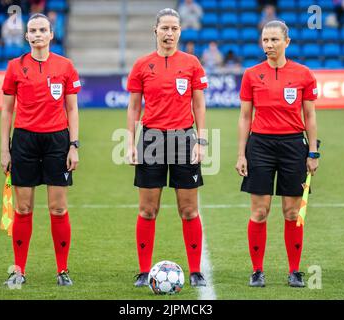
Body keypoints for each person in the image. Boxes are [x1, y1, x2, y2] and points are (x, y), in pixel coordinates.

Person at [126, 8, 209, 287]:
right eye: (165, 28)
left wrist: (202, 140)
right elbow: (134, 106)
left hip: (184, 138)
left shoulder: (192, 63)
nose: (169, 33)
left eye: (174, 29)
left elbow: (198, 104)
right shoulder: (141, 65)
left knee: (189, 210)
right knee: (148, 210)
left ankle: (195, 270)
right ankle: (142, 270)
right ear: (156, 31)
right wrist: (130, 141)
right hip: (151, 139)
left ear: (180, 32)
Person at [235, 20, 319, 288]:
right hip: (259, 146)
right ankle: (257, 271)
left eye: (274, 40)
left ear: (287, 42)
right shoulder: (251, 74)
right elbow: (245, 116)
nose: (268, 45)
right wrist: (241, 154)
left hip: (294, 146)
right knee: (260, 211)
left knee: (292, 212)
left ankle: (294, 271)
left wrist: (313, 152)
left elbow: (310, 115)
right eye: (265, 40)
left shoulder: (303, 74)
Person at [0, 13, 81, 287]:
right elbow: (6, 111)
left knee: (58, 208)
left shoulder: (66, 66)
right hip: (24, 141)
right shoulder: (14, 67)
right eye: (32, 30)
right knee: (23, 208)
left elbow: (72, 108)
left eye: (42, 30)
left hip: (57, 141)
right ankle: (19, 270)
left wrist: (74, 145)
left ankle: (62, 270)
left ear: (51, 34)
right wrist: (5, 149)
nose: (37, 34)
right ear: (26, 36)